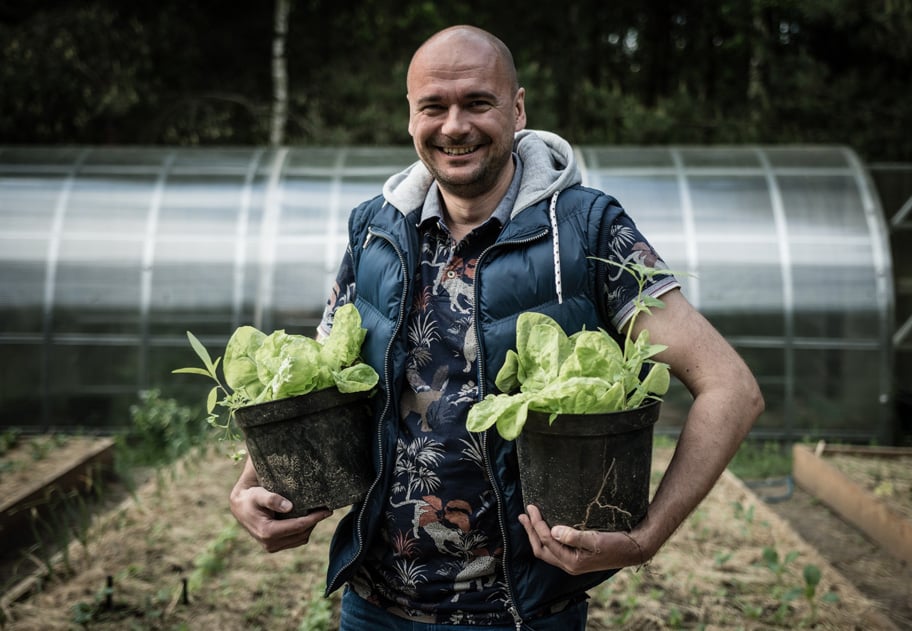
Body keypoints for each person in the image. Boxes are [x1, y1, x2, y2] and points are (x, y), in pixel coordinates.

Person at [230, 24, 764, 630]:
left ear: (517, 108)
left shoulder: (585, 232)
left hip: (524, 612)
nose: (454, 125)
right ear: (411, 117)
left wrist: (646, 537)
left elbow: (730, 387)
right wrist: (253, 485)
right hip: (374, 606)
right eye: (434, 106)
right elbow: (318, 384)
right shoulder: (376, 231)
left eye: (477, 103)